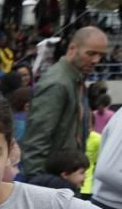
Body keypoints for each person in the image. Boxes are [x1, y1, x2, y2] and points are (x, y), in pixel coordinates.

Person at [20, 26, 108, 178]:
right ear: (72, 48)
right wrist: (40, 184)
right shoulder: (57, 83)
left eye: (100, 55)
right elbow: (36, 140)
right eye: (91, 53)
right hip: (52, 184)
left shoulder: (74, 79)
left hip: (65, 179)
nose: (96, 60)